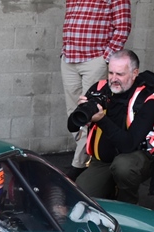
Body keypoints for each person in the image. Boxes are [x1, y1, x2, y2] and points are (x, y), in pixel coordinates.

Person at [68, 50, 154, 205]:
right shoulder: (100, 88)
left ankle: (129, 204)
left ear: (134, 73)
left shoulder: (148, 100)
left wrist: (101, 119)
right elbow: (71, 126)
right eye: (111, 73)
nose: (113, 79)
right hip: (102, 161)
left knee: (123, 167)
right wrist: (81, 110)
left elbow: (128, 145)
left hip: (135, 159)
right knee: (82, 198)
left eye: (120, 74)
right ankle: (109, 189)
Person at [61, 0, 132, 180]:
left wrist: (105, 58)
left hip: (94, 60)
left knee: (89, 112)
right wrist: (64, 51)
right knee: (74, 113)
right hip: (69, 58)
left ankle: (79, 164)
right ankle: (85, 157)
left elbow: (123, 27)